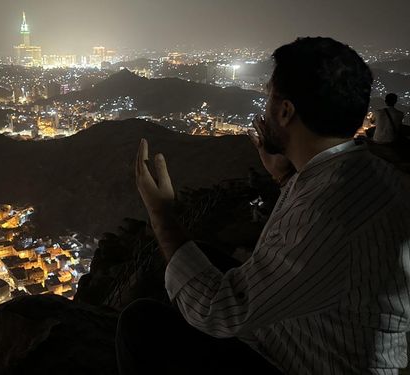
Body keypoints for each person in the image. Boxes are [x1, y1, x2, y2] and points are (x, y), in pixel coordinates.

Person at [119, 37, 410, 374]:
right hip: (318, 332)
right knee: (199, 253)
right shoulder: (368, 170)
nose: (265, 108)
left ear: (286, 111)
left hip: (311, 360)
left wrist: (161, 214)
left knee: (139, 325)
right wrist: (284, 177)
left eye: (269, 97)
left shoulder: (328, 214)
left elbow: (221, 311)